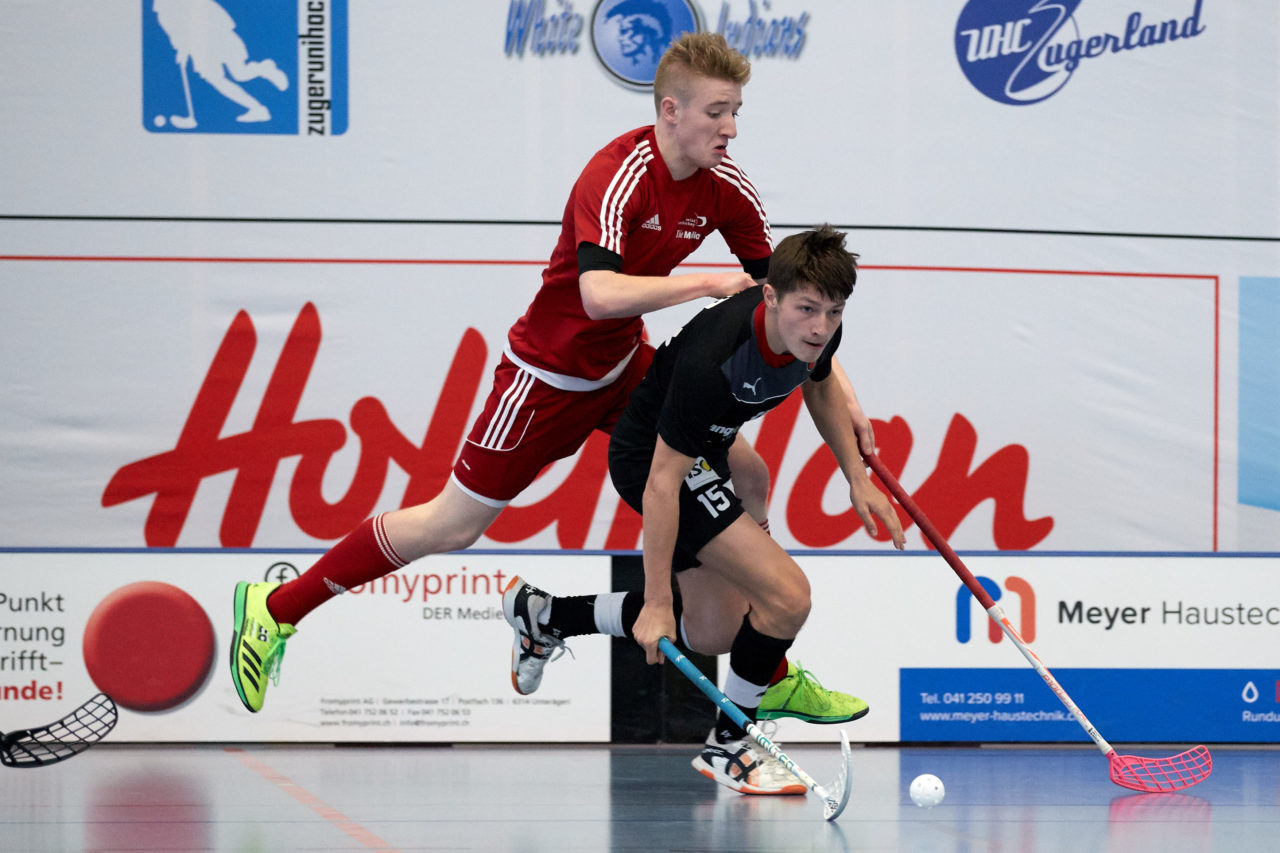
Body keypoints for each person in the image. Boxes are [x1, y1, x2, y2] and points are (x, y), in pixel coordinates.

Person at [229, 33, 876, 729]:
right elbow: (596, 293)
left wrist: (844, 390)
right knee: (453, 525)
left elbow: (784, 297)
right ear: (670, 111)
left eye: (737, 111)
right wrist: (704, 284)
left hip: (625, 366)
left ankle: (758, 657)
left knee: (745, 472)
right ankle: (274, 609)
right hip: (548, 375)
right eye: (718, 112)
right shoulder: (617, 175)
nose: (731, 128)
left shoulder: (728, 186)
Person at [501, 225, 906, 795]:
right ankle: (730, 744)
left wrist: (857, 479)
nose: (820, 326)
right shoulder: (714, 363)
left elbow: (818, 386)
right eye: (807, 309)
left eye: (834, 312)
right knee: (787, 597)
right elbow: (663, 485)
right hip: (654, 458)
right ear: (770, 297)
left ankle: (546, 616)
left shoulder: (819, 333)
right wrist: (658, 601)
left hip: (707, 445)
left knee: (713, 631)